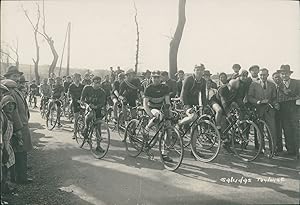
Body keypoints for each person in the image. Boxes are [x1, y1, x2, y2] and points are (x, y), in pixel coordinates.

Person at [2, 66, 33, 184]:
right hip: (18, 126)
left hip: (23, 124)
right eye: (14, 76)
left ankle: (20, 175)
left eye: (17, 76)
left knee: (22, 152)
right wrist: (18, 129)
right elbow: (13, 112)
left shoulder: (16, 90)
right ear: (8, 77)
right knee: (19, 152)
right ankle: (21, 178)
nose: (17, 78)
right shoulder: (10, 91)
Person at [143, 71, 173, 162]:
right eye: (154, 77)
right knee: (158, 115)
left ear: (161, 78)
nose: (156, 79)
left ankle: (164, 153)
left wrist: (169, 113)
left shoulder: (165, 87)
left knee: (168, 129)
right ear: (151, 78)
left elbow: (167, 102)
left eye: (157, 77)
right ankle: (147, 129)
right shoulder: (149, 88)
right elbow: (145, 104)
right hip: (152, 108)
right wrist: (151, 115)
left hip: (162, 108)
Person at [247, 68, 277, 152]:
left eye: (264, 75)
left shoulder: (272, 85)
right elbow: (249, 97)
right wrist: (258, 101)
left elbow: (274, 98)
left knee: (272, 130)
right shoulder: (254, 84)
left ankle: (273, 149)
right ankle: (261, 148)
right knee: (259, 130)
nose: (263, 76)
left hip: (269, 110)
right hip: (258, 110)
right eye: (261, 75)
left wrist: (273, 103)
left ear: (268, 75)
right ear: (259, 75)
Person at [277, 65, 300, 158]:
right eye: (282, 74)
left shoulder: (297, 83)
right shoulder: (279, 85)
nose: (284, 75)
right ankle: (290, 150)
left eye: (286, 73)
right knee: (286, 130)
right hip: (283, 110)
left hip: (294, 109)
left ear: (289, 74)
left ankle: (297, 150)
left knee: (296, 129)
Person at [80, 76, 107, 152]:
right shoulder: (87, 88)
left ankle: (98, 146)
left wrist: (96, 106)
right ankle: (85, 128)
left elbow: (102, 103)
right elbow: (82, 99)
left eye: (99, 83)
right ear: (92, 82)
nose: (98, 85)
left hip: (97, 109)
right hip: (87, 106)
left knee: (98, 127)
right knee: (90, 114)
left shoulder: (102, 92)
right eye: (96, 83)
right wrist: (86, 105)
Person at [178, 64, 206, 134]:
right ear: (194, 71)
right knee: (193, 117)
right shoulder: (188, 79)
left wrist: (204, 105)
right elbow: (183, 94)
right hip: (185, 102)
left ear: (203, 71)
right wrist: (186, 105)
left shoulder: (203, 81)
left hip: (194, 102)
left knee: (195, 122)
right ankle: (179, 123)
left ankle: (193, 142)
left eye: (201, 70)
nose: (199, 72)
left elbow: (203, 95)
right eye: (197, 70)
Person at [0, 95, 17, 194]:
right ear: (3, 105)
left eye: (12, 104)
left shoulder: (9, 116)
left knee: (6, 169)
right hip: (2, 147)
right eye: (7, 104)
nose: (10, 106)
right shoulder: (2, 118)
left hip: (7, 146)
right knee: (3, 170)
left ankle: (5, 188)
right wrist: (3, 149)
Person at [68, 73, 84, 139]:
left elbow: (84, 94)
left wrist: (83, 100)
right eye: (76, 77)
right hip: (75, 102)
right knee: (76, 118)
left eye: (78, 77)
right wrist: (77, 101)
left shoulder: (82, 86)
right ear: (74, 78)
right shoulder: (71, 86)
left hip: (82, 102)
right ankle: (75, 133)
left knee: (84, 117)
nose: (77, 79)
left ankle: (83, 131)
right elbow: (72, 95)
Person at [272, 71, 283, 154]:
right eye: (276, 77)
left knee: (285, 129)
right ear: (273, 78)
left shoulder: (284, 85)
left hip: (284, 110)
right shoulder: (272, 86)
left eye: (279, 77)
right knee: (276, 129)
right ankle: (278, 147)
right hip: (274, 111)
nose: (277, 79)